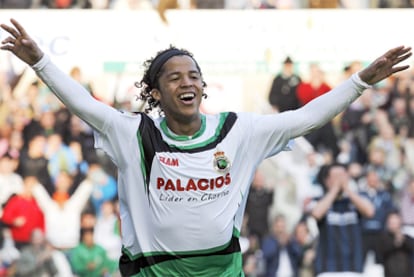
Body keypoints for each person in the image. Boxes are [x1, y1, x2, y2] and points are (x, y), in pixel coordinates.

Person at [0, 18, 411, 276]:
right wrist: (40, 62)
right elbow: (84, 103)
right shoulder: (134, 134)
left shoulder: (238, 131)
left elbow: (306, 118)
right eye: (174, 77)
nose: (187, 82)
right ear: (156, 92)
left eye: (193, 75)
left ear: (203, 85)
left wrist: (361, 81)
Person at [307, 163, 375, 276]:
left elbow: (370, 212)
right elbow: (316, 214)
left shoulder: (356, 200)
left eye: (343, 176)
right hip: (327, 269)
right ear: (327, 180)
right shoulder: (319, 200)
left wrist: (347, 190)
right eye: (336, 177)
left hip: (354, 268)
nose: (340, 180)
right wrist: (334, 189)